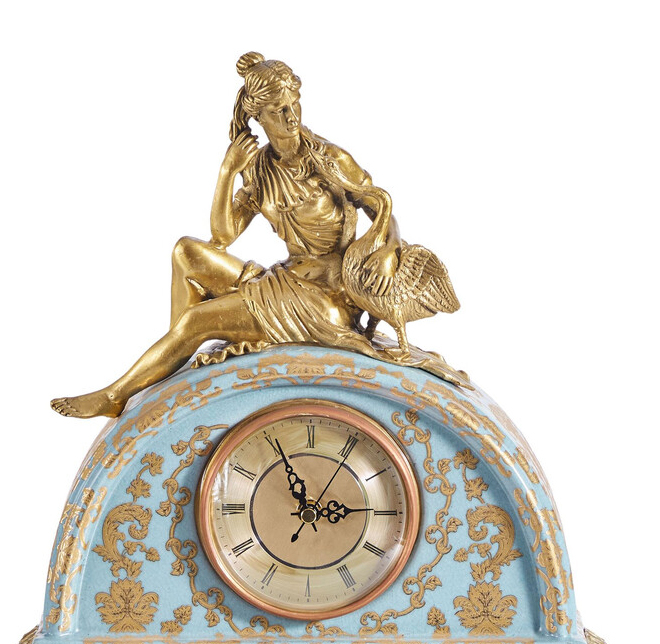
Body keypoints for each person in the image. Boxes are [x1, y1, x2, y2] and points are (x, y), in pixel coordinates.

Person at [52, 52, 413, 419]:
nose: (291, 117)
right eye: (278, 110)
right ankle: (176, 361)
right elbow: (222, 236)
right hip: (286, 280)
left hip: (324, 300)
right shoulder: (260, 169)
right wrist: (227, 170)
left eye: (294, 104)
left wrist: (391, 249)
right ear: (258, 116)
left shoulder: (330, 159)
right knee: (186, 252)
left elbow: (381, 207)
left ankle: (118, 394)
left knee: (195, 321)